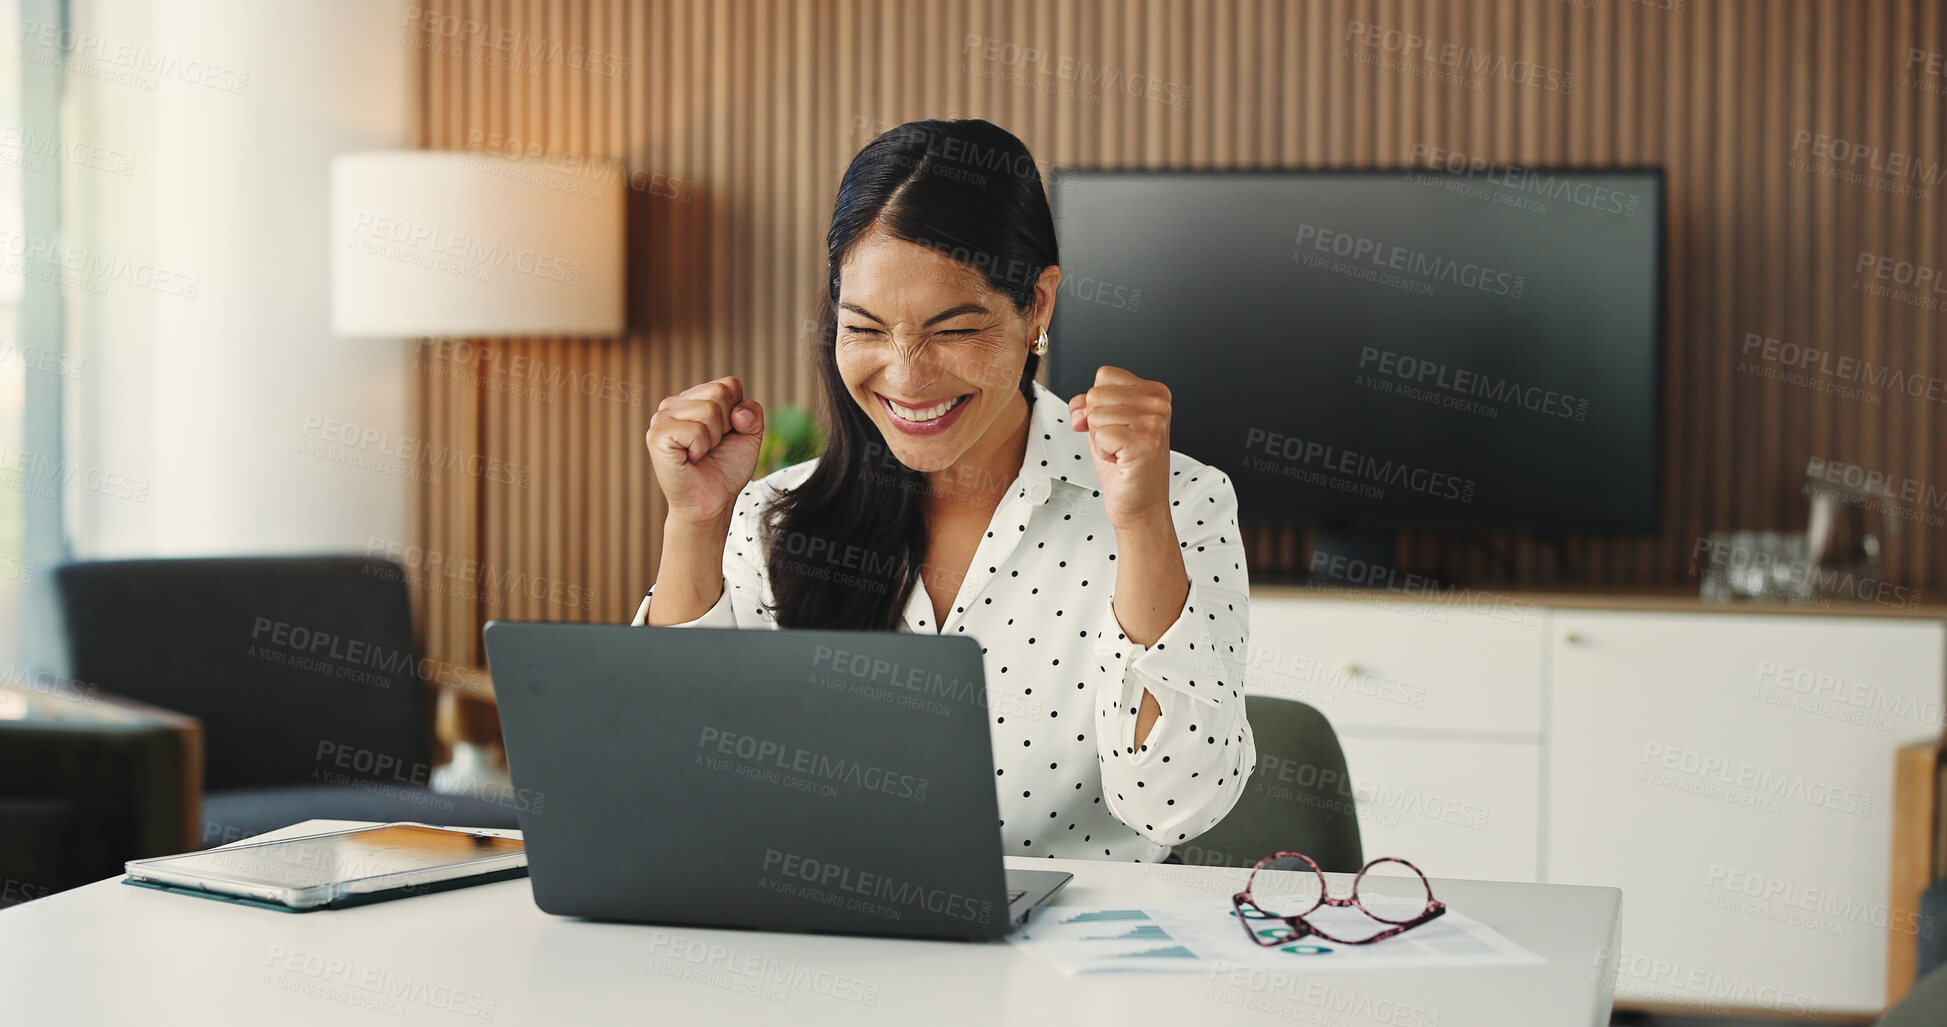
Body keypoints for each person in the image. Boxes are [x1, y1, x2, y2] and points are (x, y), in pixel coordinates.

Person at [634, 118, 1255, 863]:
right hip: (831, 952)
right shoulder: (773, 516)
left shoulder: (1182, 501)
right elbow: (667, 786)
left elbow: (1174, 807)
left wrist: (1140, 520)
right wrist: (695, 522)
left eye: (951, 329)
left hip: (1067, 965)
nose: (904, 374)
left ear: (1038, 307)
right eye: (863, 327)